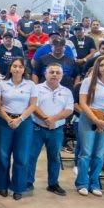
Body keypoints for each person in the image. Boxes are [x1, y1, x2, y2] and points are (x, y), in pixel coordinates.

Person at [74, 56, 104, 197]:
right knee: (86, 152)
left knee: (99, 154)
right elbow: (82, 103)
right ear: (97, 66)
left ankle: (94, 183)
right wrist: (96, 120)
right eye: (102, 65)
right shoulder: (88, 81)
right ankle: (82, 183)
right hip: (89, 117)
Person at [28, 64, 76, 197]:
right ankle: (28, 182)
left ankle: (53, 184)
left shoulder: (66, 91)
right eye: (51, 72)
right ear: (45, 74)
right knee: (31, 156)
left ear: (62, 76)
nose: (54, 74)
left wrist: (53, 120)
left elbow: (69, 110)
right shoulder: (36, 89)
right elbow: (33, 106)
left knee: (54, 157)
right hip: (37, 128)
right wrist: (46, 119)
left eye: (57, 73)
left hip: (56, 129)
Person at [0, 58, 37, 200]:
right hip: (5, 121)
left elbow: (32, 106)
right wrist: (8, 119)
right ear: (10, 68)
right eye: (14, 66)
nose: (17, 69)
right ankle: (2, 185)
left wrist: (19, 119)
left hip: (23, 122)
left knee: (22, 156)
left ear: (24, 69)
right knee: (3, 155)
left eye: (20, 66)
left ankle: (18, 187)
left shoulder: (30, 85)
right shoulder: (2, 84)